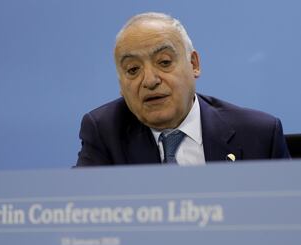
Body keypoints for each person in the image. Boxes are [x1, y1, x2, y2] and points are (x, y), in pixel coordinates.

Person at [76, 12, 290, 167]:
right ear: (120, 84)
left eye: (164, 62)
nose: (149, 80)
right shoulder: (104, 132)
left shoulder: (259, 135)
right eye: (133, 69)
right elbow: (81, 211)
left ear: (194, 64)